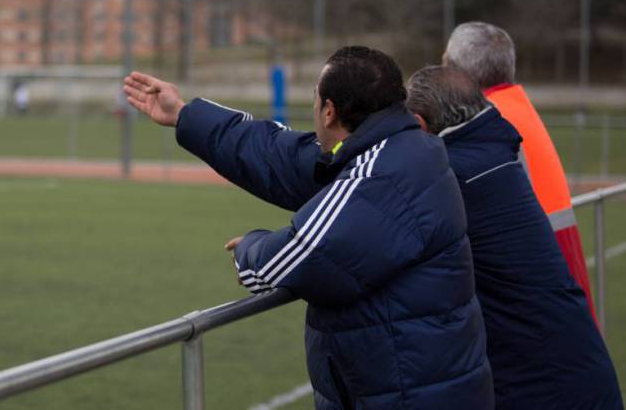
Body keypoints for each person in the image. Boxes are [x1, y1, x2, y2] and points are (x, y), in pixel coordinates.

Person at [124, 47, 493, 409]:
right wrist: (186, 115)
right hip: (415, 385)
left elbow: (287, 261)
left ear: (329, 111)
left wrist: (249, 248)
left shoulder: (380, 175)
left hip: (409, 394)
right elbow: (277, 152)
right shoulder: (396, 147)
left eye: (316, 100)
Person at [406, 66, 621, 409]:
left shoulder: (452, 176)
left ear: (420, 124)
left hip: (543, 386)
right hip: (580, 371)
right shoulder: (496, 153)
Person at [444, 22, 595, 317]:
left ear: (458, 74)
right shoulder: (515, 109)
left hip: (537, 294)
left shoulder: (489, 123)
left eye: (444, 64)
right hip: (558, 289)